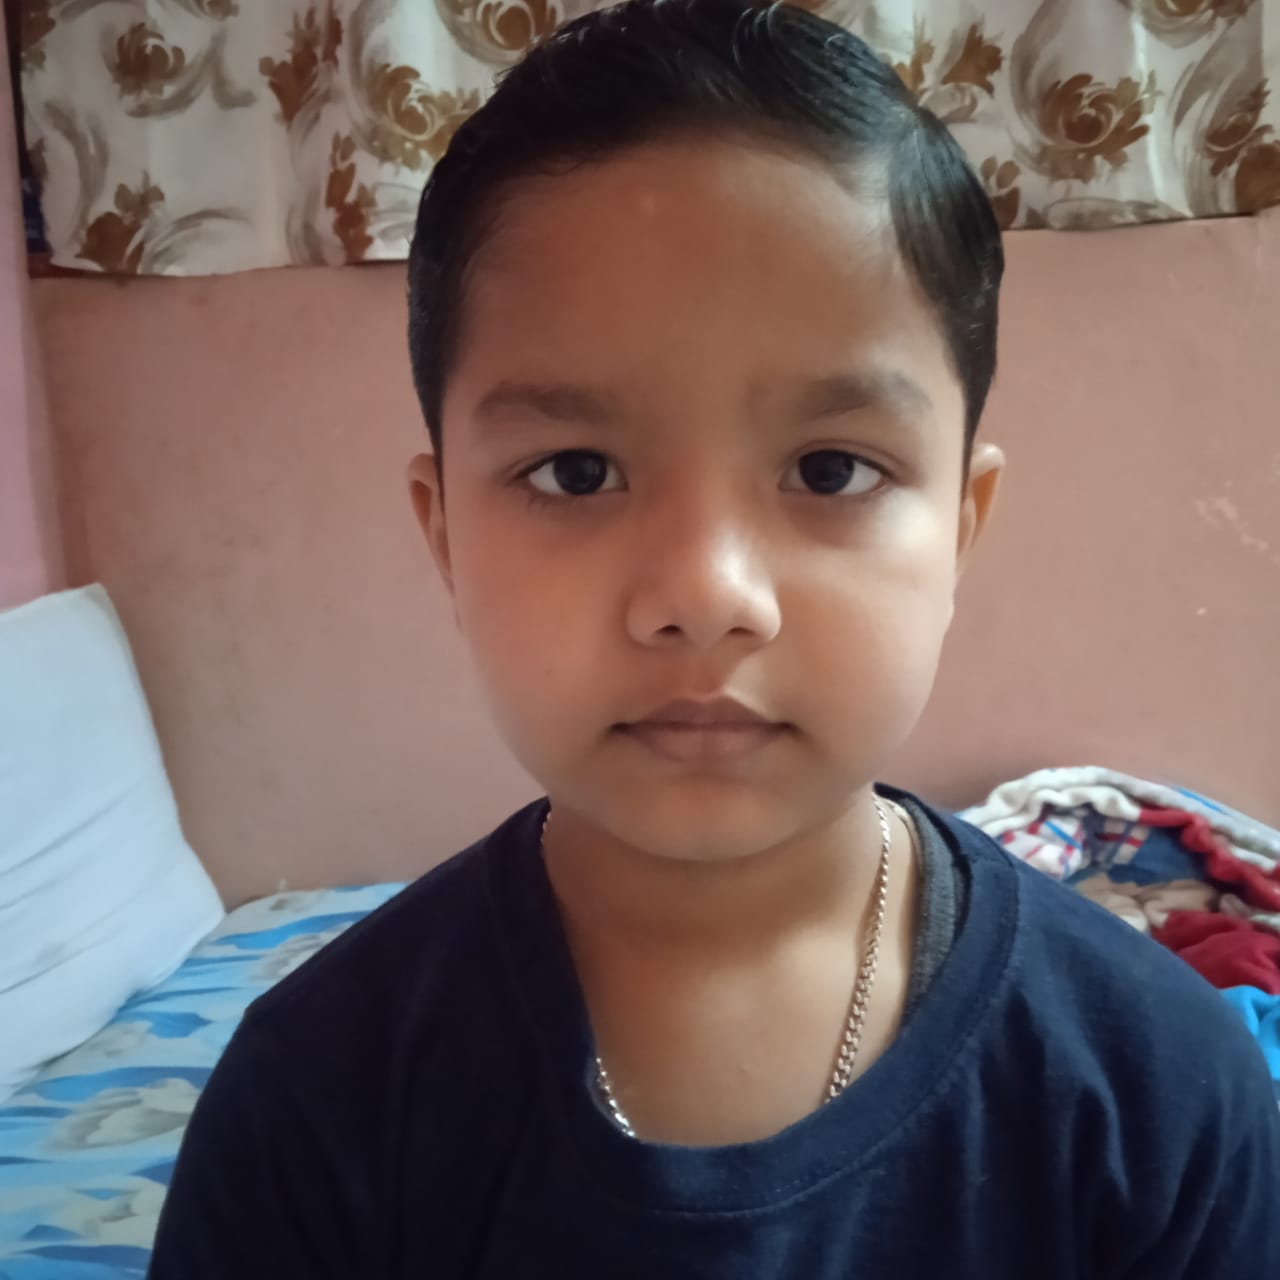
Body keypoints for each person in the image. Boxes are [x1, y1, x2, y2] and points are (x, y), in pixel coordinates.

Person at [147, 1, 1280, 1274]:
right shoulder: (311, 1106)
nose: (705, 591)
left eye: (829, 468)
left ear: (960, 529)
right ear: (445, 534)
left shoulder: (1158, 1094)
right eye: (576, 470)